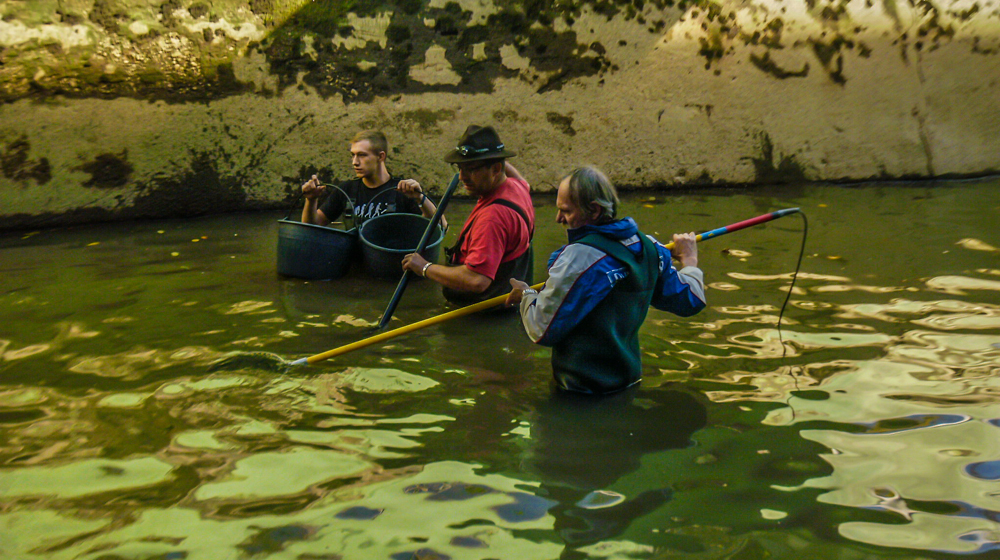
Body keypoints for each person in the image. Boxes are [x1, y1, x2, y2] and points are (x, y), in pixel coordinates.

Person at [506, 166, 707, 395]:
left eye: (566, 211)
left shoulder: (577, 258)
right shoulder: (650, 249)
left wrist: (526, 295)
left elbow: (542, 329)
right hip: (628, 381)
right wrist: (689, 261)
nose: (558, 219)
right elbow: (691, 300)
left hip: (579, 390)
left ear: (593, 210)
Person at [402, 125, 534, 304]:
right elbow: (507, 169)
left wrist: (424, 267)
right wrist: (488, 154)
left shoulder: (493, 218)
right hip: (510, 298)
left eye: (471, 169)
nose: (462, 177)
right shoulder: (518, 187)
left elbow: (477, 280)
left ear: (496, 169)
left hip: (484, 312)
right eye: (459, 168)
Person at [300, 130, 445, 228]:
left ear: (381, 156)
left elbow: (442, 226)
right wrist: (311, 200)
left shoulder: (403, 190)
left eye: (362, 155)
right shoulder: (347, 190)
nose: (355, 162)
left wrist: (420, 198)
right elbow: (311, 228)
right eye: (353, 155)